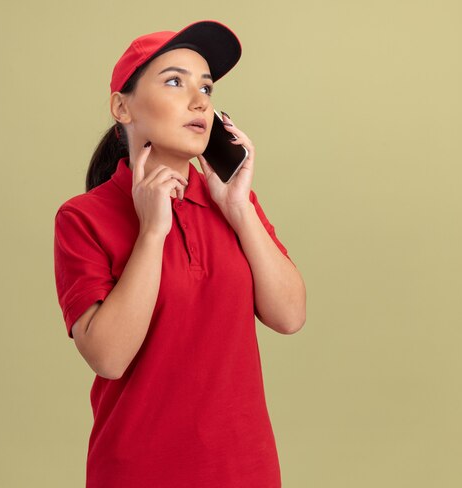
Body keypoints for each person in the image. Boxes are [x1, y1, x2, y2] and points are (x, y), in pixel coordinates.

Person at [53, 19, 306, 488]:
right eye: (175, 81)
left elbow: (289, 316)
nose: (200, 100)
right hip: (137, 473)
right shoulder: (83, 217)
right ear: (121, 107)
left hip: (246, 471)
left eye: (206, 87)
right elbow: (108, 357)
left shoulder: (232, 203)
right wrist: (152, 232)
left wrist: (238, 207)